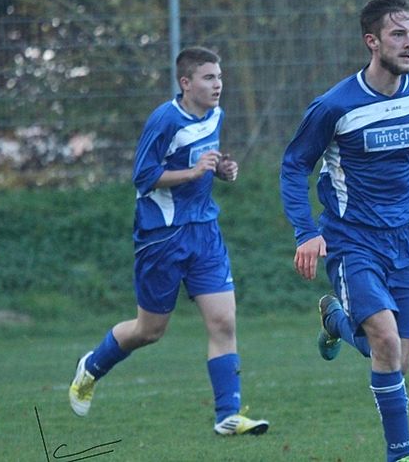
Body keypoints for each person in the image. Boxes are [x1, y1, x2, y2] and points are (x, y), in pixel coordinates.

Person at [279, 0, 409, 462]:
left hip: (404, 241)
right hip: (352, 240)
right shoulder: (334, 106)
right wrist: (306, 232)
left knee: (398, 360)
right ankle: (400, 454)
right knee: (385, 340)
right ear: (372, 41)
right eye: (398, 34)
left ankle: (335, 321)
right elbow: (293, 166)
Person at [69, 46, 269, 435]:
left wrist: (222, 171)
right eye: (209, 78)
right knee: (150, 331)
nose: (218, 84)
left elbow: (203, 163)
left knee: (224, 321)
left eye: (220, 76)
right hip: (160, 237)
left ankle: (227, 415)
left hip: (204, 232)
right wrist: (193, 173)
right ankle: (91, 367)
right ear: (186, 83)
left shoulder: (216, 114)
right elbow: (143, 177)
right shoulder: (164, 120)